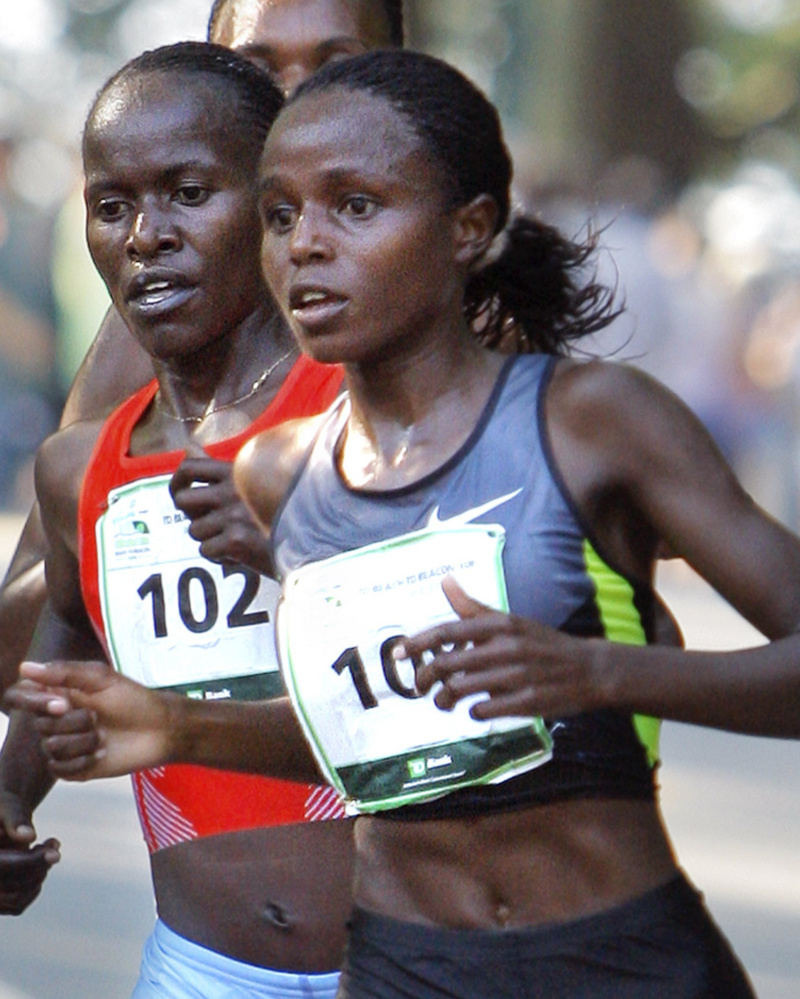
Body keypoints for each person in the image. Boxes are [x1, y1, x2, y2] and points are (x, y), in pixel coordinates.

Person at [15, 49, 800, 997]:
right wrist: (174, 726)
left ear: (468, 228)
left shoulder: (592, 417)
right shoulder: (278, 471)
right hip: (399, 965)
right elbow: (375, 741)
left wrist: (600, 672)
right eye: (281, 215)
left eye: (355, 206)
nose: (304, 244)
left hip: (614, 955)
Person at [0, 0, 403, 936]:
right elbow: (54, 604)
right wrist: (16, 789)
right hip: (202, 954)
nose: (301, 101)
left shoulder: (422, 349)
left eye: (334, 64)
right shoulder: (131, 365)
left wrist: (300, 548)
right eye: (264, 67)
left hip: (412, 950)